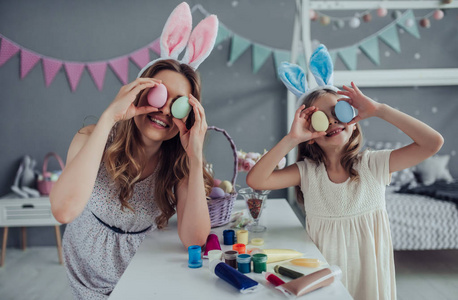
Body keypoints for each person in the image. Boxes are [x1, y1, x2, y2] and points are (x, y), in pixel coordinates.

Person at [246, 45, 444, 300]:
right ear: (310, 136)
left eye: (338, 111)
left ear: (353, 120)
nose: (332, 122)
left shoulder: (372, 165)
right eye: (319, 120)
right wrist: (292, 138)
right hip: (325, 275)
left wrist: (379, 110)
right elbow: (256, 181)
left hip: (371, 277)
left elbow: (432, 143)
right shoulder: (307, 173)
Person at [49, 3, 219, 299]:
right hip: (85, 278)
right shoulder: (91, 138)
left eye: (178, 104)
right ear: (137, 92)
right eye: (158, 94)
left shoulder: (177, 162)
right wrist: (109, 117)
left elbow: (195, 239)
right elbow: (63, 211)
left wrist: (194, 155)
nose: (164, 110)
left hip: (142, 273)